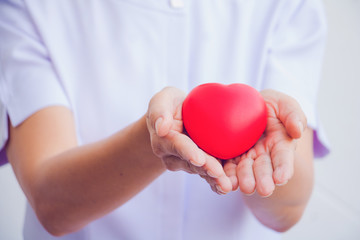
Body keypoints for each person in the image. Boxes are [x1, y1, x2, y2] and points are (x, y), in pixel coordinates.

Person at [0, 0, 329, 239]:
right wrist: (154, 141)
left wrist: (265, 154)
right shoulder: (28, 8)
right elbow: (52, 206)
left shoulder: (290, 6)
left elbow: (287, 211)